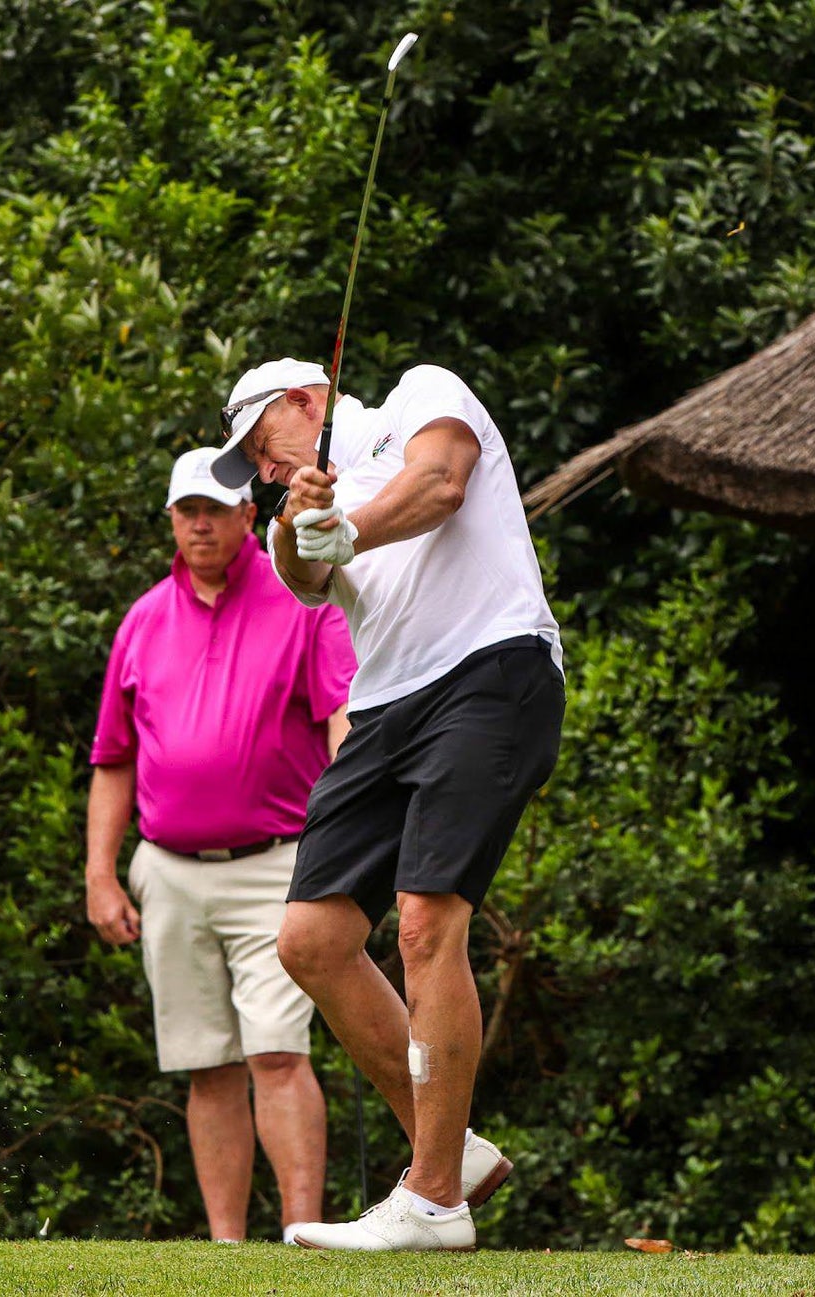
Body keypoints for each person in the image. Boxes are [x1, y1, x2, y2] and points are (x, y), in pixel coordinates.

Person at [207, 357, 564, 1251]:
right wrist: (303, 522)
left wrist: (351, 525)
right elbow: (299, 572)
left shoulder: (419, 397)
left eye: (263, 445)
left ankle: (434, 1198)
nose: (262, 469)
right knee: (311, 939)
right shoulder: (296, 502)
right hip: (388, 705)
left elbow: (441, 481)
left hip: (491, 670)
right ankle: (456, 1149)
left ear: (305, 402)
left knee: (423, 921)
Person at [84, 447, 356, 1243]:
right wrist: (102, 873)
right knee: (206, 1064)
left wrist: (355, 835)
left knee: (276, 1049)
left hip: (277, 862)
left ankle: (302, 1234)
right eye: (185, 510)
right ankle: (226, 1249)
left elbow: (341, 718)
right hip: (168, 870)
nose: (199, 522)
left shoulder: (300, 599)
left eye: (214, 508)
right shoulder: (142, 619)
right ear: (171, 519)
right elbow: (113, 757)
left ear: (248, 515)